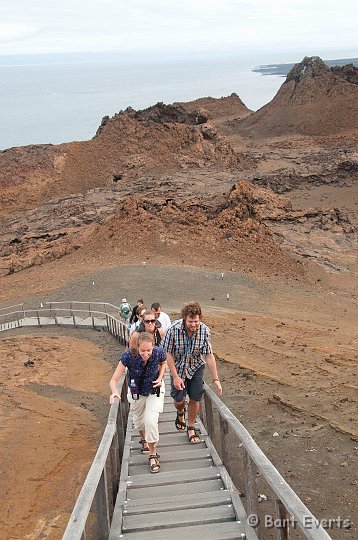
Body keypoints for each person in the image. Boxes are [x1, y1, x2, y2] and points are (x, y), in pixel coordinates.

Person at [162, 301, 222, 444]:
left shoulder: (204, 331)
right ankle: (180, 412)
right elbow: (168, 353)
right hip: (178, 367)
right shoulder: (173, 330)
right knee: (179, 401)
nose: (193, 325)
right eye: (190, 321)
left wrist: (216, 379)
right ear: (184, 318)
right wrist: (175, 376)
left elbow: (208, 355)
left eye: (196, 321)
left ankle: (191, 426)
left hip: (195, 367)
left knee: (195, 398)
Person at [109, 332, 166, 473]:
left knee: (151, 421)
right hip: (136, 391)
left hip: (154, 389)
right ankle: (143, 439)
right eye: (142, 351)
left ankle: (153, 455)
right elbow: (113, 380)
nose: (146, 354)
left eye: (148, 350)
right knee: (139, 422)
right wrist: (114, 392)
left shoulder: (159, 352)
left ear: (153, 347)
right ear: (137, 348)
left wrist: (160, 378)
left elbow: (164, 363)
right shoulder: (129, 356)